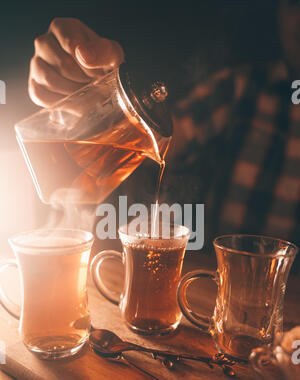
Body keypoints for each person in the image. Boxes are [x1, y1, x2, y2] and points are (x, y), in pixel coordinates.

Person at [28, 0, 300, 258]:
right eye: (293, 4)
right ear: (278, 14)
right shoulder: (244, 88)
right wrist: (105, 104)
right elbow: (167, 139)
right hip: (214, 291)